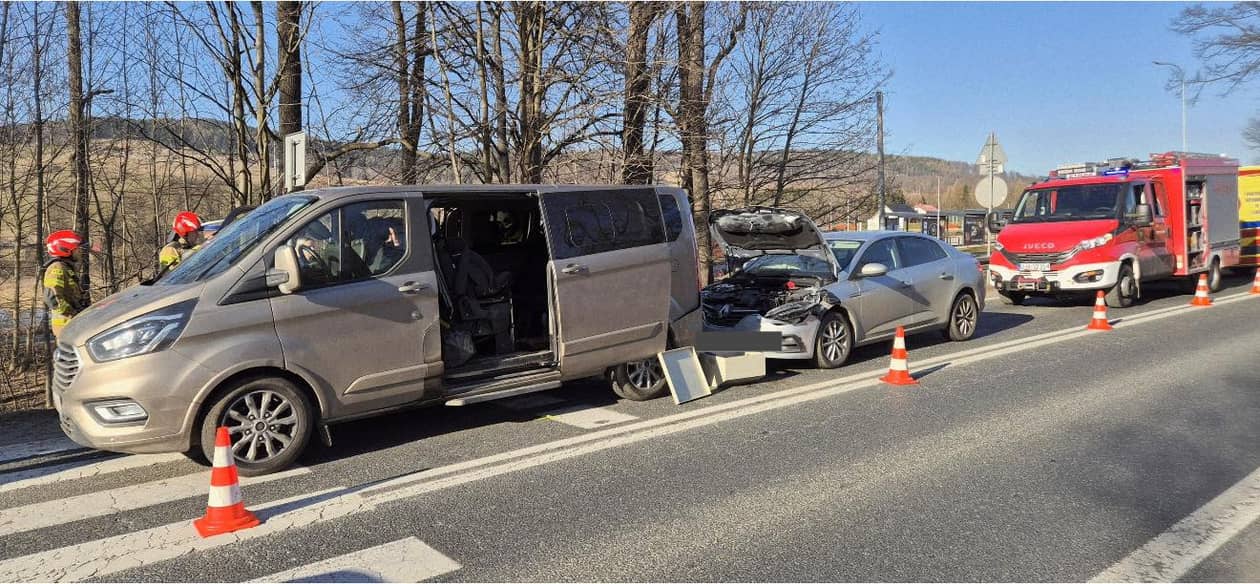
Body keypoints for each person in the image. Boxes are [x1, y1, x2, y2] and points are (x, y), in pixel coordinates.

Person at [42, 230, 89, 338]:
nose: (80, 252)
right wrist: (73, 315)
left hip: (72, 326)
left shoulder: (66, 268)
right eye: (77, 249)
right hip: (66, 327)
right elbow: (52, 298)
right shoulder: (57, 268)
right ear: (65, 250)